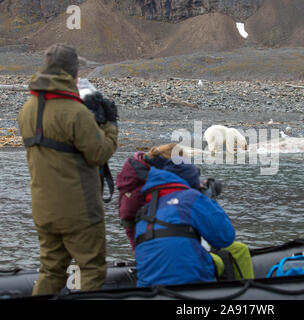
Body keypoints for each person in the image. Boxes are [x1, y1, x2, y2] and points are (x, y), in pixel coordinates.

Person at [17, 44, 118, 295]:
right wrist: (109, 124)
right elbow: (99, 153)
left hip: (43, 209)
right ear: (73, 74)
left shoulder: (27, 109)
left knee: (51, 271)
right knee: (91, 269)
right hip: (79, 211)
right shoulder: (74, 112)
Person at [117, 144, 253, 286]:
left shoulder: (145, 205)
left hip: (148, 285)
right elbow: (225, 238)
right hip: (188, 286)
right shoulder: (191, 198)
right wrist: (208, 199)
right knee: (227, 255)